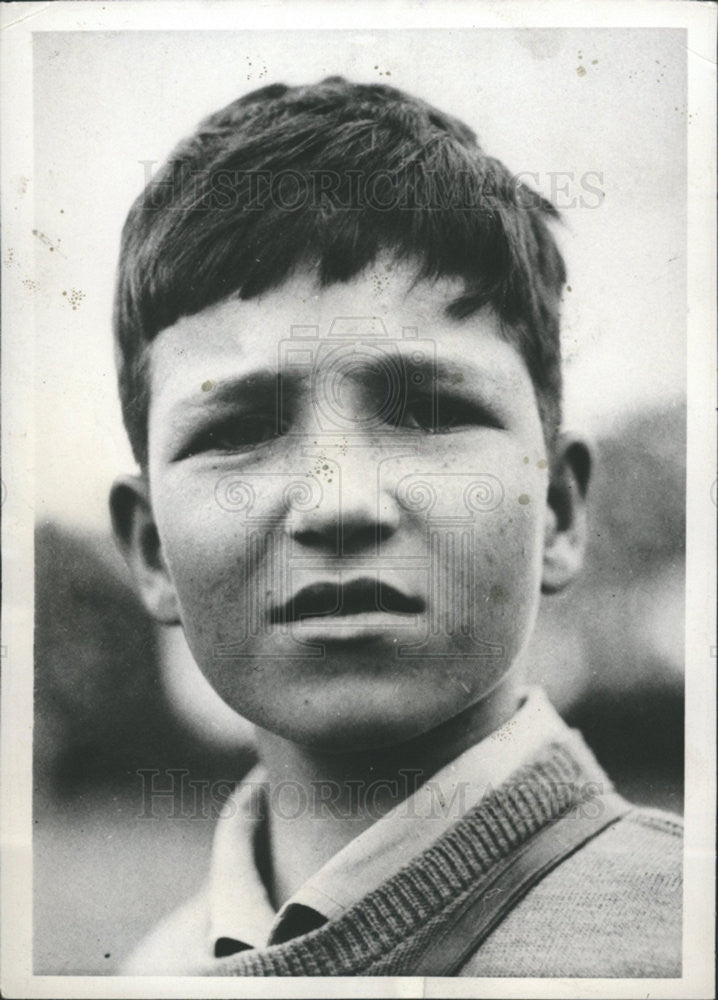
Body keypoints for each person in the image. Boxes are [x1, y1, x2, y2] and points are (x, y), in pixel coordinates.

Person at [109, 77, 682, 977]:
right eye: (238, 431)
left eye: (430, 412)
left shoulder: (684, 943)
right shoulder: (146, 974)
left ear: (562, 511)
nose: (341, 501)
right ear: (150, 550)